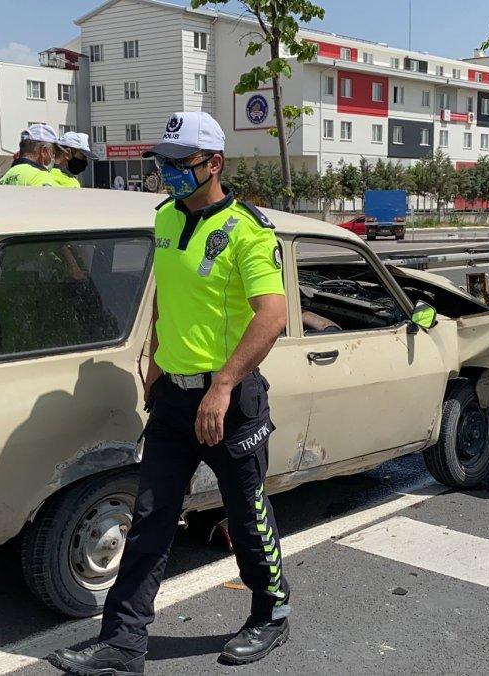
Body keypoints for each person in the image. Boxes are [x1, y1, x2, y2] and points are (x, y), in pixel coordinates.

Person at [48, 112, 291, 675]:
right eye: (163, 162)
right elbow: (167, 298)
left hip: (228, 403)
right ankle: (123, 643)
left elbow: (272, 317)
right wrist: (155, 361)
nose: (169, 174)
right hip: (174, 402)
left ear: (214, 164)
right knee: (152, 518)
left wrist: (224, 385)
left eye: (180, 164)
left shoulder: (247, 231)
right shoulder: (163, 219)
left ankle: (271, 613)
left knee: (247, 512)